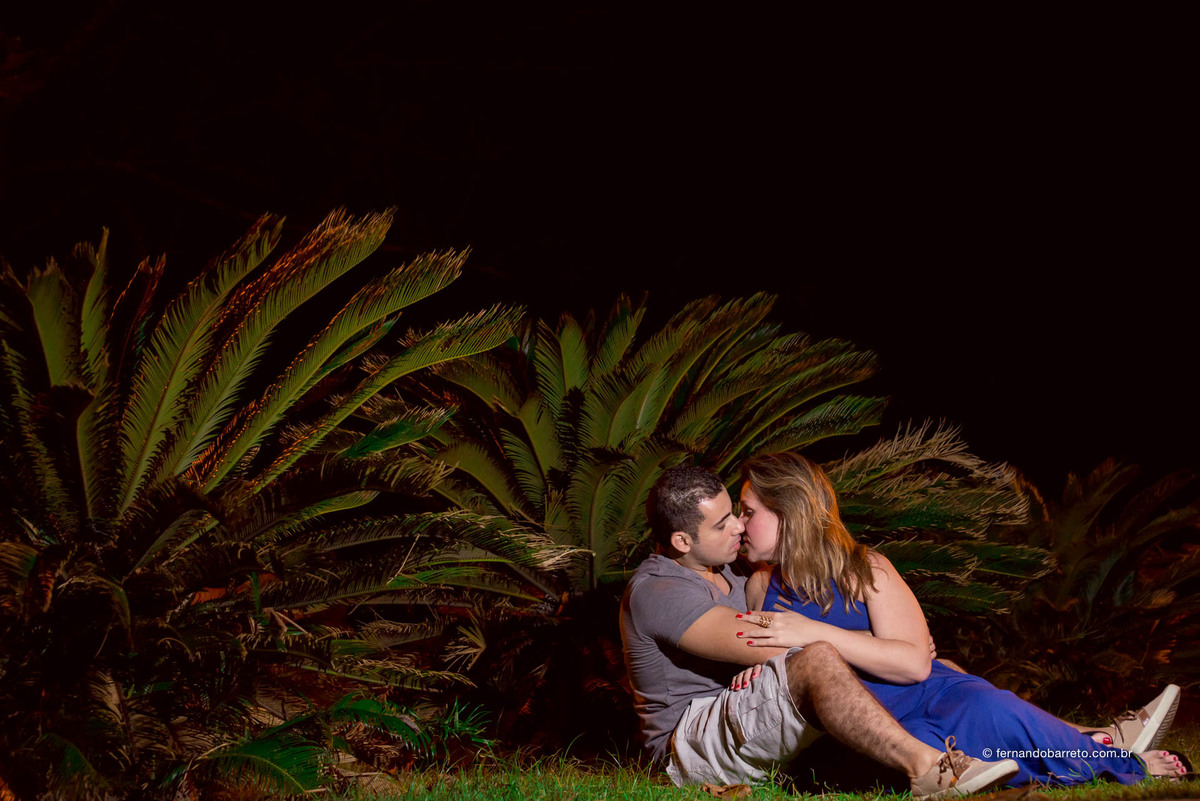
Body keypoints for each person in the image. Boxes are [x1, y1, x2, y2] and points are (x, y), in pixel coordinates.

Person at [731, 450, 1187, 787]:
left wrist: (815, 632)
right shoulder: (759, 587)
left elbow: (913, 665)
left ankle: (1119, 761)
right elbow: (776, 671)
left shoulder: (865, 568)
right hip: (880, 726)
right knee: (960, 760)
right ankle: (1103, 741)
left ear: (789, 513)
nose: (739, 522)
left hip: (933, 696)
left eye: (749, 512)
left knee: (996, 712)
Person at [619, 464, 1020, 798]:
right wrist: (885, 644)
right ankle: (929, 769)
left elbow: (796, 634)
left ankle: (1059, 743)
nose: (739, 528)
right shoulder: (659, 590)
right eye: (723, 524)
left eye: (738, 514)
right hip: (690, 743)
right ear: (682, 540)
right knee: (818, 661)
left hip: (749, 711)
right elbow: (771, 638)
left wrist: (901, 647)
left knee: (940, 669)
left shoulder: (732, 569)